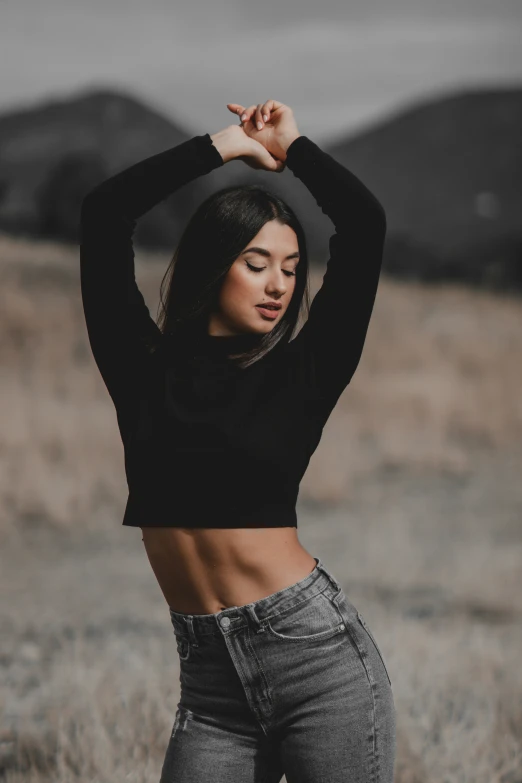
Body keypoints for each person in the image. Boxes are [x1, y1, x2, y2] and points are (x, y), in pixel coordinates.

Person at [80, 99, 396, 782]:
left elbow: (364, 224)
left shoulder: (306, 372)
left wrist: (297, 146)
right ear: (214, 262)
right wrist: (222, 146)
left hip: (317, 663)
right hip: (212, 687)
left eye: (290, 267)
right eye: (257, 262)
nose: (279, 284)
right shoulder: (142, 368)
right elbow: (104, 215)